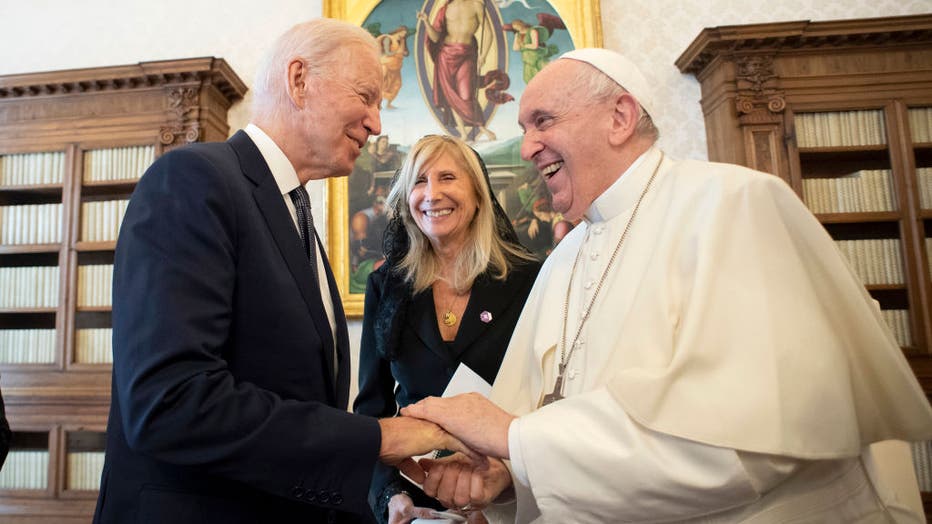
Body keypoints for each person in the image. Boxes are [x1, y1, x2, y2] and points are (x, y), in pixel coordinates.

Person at [402, 48, 932, 522]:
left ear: (620, 117)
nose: (527, 148)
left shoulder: (733, 205)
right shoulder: (563, 258)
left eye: (543, 121)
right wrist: (511, 476)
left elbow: (746, 444)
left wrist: (516, 439)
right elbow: (551, 421)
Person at [93, 19, 476, 524]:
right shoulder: (194, 180)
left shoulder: (293, 213)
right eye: (365, 96)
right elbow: (170, 403)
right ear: (299, 79)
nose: (377, 123)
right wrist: (380, 437)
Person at [354, 134, 540, 524]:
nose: (432, 194)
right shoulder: (385, 286)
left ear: (478, 195)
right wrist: (390, 496)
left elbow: (546, 401)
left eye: (448, 178)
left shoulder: (531, 280)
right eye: (419, 181)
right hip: (417, 504)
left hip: (511, 496)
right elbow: (372, 410)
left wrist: (506, 484)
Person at [418, 0, 499, 141]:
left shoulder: (476, 5)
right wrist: (426, 22)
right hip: (445, 54)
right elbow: (436, 37)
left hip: (466, 53)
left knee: (466, 94)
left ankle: (481, 127)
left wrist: (483, 55)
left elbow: (488, 33)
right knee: (451, 94)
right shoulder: (445, 8)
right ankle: (462, 134)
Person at [376, 26, 409, 109]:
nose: (404, 35)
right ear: (399, 31)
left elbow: (405, 53)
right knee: (382, 83)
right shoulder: (388, 38)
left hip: (395, 66)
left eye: (405, 34)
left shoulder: (401, 41)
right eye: (403, 33)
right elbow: (387, 53)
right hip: (386, 63)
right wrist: (397, 52)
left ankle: (389, 104)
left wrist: (403, 48)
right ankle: (377, 103)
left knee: (397, 84)